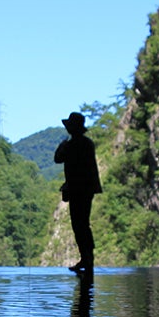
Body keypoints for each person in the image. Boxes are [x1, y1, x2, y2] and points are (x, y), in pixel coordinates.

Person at [54, 111, 102, 273]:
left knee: (78, 224)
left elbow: (57, 159)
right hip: (87, 189)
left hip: (76, 189)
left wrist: (61, 146)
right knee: (84, 224)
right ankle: (88, 257)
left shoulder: (70, 145)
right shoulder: (88, 143)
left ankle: (86, 257)